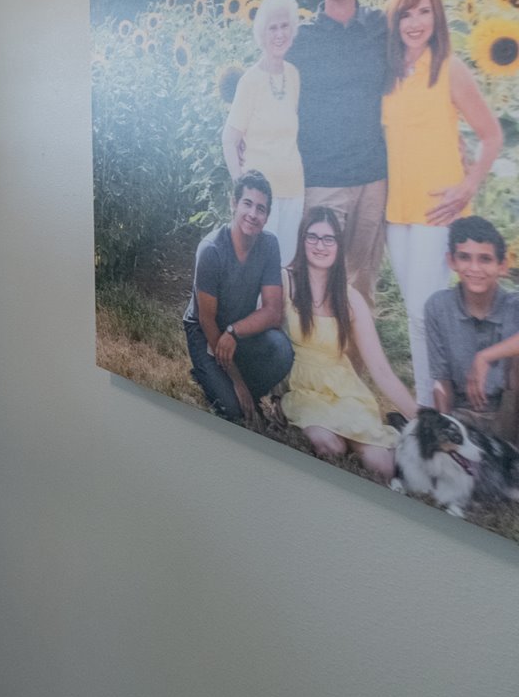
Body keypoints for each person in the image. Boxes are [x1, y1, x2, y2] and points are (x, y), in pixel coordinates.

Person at [381, 0, 503, 409]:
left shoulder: (449, 67)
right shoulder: (390, 72)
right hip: (396, 211)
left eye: (424, 11)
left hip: (437, 210)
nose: (415, 22)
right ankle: (438, 403)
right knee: (419, 315)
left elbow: (491, 136)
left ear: (437, 17)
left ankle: (431, 412)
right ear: (395, 21)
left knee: (420, 311)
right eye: (407, 13)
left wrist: (468, 183)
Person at [280, 207, 420, 480]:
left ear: (338, 246)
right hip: (304, 388)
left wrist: (421, 418)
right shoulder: (286, 280)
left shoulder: (350, 298)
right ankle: (338, 438)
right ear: (302, 240)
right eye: (313, 237)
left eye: (328, 239)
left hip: (343, 388)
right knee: (329, 445)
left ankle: (389, 434)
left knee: (383, 466)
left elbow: (380, 369)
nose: (320, 245)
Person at [288, 0, 390, 302]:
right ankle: (313, 357)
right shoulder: (303, 38)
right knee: (317, 279)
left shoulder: (381, 27)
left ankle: (353, 361)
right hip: (323, 177)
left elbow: (414, 72)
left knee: (361, 281)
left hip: (372, 178)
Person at [183, 170, 293, 423]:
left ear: (267, 216)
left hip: (237, 328)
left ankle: (243, 392)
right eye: (247, 203)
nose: (253, 214)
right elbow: (207, 320)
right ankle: (208, 374)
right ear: (233, 203)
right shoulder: (211, 250)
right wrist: (237, 381)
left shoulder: (269, 245)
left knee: (281, 349)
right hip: (204, 330)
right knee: (232, 412)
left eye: (261, 209)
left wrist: (233, 332)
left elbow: (273, 311)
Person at [222, 0, 306, 265]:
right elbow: (229, 139)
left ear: (292, 31)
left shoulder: (294, 74)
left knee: (284, 266)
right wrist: (241, 188)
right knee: (257, 268)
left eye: (284, 26)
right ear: (262, 34)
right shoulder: (250, 81)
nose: (279, 34)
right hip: (261, 198)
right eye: (273, 28)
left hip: (293, 190)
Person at [421, 215, 519, 443]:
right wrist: (446, 431)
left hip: (510, 413)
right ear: (452, 261)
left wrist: (485, 357)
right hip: (462, 416)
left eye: (485, 259)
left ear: (501, 266)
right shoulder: (438, 306)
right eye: (465, 257)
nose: (474, 268)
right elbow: (441, 378)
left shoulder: (513, 305)